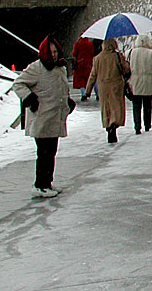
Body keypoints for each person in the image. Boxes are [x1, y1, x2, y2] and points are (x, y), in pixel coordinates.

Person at [11, 36, 77, 198]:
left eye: (55, 51)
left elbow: (61, 88)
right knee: (44, 153)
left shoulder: (60, 68)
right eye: (50, 52)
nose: (53, 55)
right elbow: (18, 84)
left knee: (51, 152)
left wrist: (67, 102)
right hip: (42, 118)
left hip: (55, 117)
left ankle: (47, 182)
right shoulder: (37, 68)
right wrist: (29, 98)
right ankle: (39, 185)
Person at [85, 37, 130, 143]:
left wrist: (88, 90)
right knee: (116, 106)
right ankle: (114, 124)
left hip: (103, 87)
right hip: (116, 86)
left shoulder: (97, 59)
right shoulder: (117, 56)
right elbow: (125, 69)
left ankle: (108, 125)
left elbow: (93, 75)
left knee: (106, 107)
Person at [72, 36, 96, 101]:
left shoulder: (77, 44)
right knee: (89, 79)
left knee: (81, 81)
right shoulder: (90, 44)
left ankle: (83, 94)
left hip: (80, 64)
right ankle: (97, 94)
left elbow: (74, 54)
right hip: (88, 64)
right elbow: (92, 53)